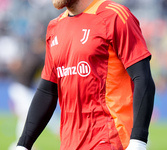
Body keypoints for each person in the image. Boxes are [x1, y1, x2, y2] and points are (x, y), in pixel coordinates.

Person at [16, 0, 155, 149]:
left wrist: (138, 141)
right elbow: (47, 90)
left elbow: (142, 77)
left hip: (110, 141)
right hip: (69, 144)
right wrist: (23, 145)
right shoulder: (54, 27)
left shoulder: (114, 15)